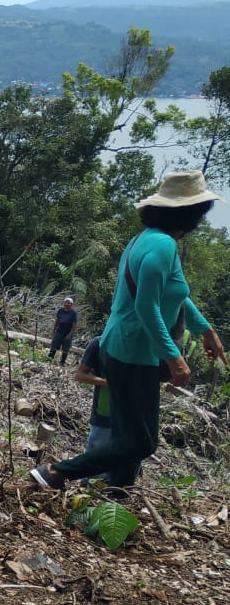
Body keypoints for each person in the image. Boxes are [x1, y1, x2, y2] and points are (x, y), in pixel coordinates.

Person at [30, 171, 227, 494]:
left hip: (120, 346)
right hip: (135, 351)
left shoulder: (144, 239)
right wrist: (174, 357)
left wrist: (205, 330)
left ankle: (116, 496)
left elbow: (173, 296)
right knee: (142, 442)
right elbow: (147, 307)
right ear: (192, 213)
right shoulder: (163, 246)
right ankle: (56, 471)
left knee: (127, 438)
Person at [73, 336, 112, 484]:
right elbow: (80, 375)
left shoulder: (143, 344)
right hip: (104, 411)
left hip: (132, 415)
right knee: (96, 455)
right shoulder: (100, 343)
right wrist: (107, 382)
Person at [48, 297, 78, 365]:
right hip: (59, 331)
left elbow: (74, 324)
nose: (67, 304)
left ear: (71, 304)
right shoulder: (60, 310)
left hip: (67, 333)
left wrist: (70, 334)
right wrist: (54, 330)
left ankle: (62, 362)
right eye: (66, 303)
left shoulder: (73, 313)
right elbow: (57, 321)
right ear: (64, 303)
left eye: (69, 303)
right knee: (54, 345)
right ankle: (49, 359)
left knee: (66, 348)